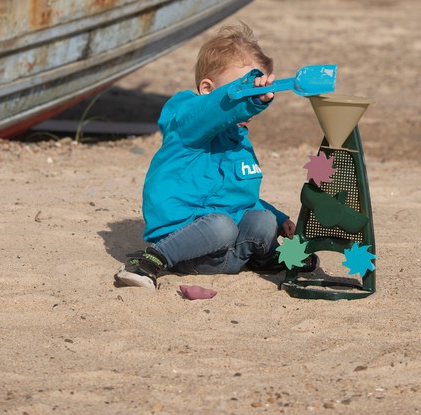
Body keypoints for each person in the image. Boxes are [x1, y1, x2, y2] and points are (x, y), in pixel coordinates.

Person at [114, 22, 313, 288]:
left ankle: (266, 258)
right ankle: (153, 259)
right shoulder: (186, 121)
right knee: (222, 225)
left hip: (227, 255)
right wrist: (247, 99)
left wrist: (278, 218)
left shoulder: (238, 141)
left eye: (257, 91)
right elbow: (210, 112)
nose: (253, 99)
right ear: (208, 89)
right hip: (184, 247)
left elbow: (240, 196)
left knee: (263, 219)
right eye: (245, 88)